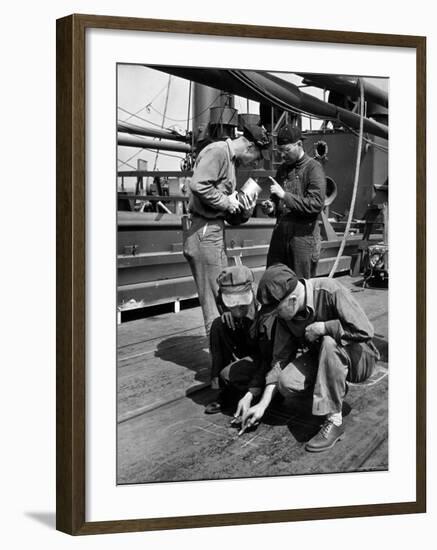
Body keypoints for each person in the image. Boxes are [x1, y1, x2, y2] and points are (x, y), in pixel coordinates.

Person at [241, 263, 380, 452]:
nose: (276, 316)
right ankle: (333, 387)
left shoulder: (331, 290)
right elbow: (280, 361)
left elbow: (365, 330)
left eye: (277, 310)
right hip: (323, 358)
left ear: (292, 299)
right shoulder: (286, 316)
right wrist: (262, 405)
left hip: (360, 358)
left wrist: (324, 328)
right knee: (286, 382)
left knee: (329, 342)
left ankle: (335, 420)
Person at [183, 125, 271, 336]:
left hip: (213, 230)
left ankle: (223, 351)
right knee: (213, 300)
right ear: (250, 146)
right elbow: (199, 185)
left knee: (223, 292)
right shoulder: (219, 151)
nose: (255, 163)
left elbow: (227, 209)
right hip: (203, 230)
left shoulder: (229, 160)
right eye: (257, 158)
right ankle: (219, 358)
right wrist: (226, 202)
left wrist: (244, 206)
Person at [205, 265, 274, 418]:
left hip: (264, 356)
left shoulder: (265, 309)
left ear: (251, 290)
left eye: (242, 304)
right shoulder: (222, 300)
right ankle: (223, 391)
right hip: (245, 346)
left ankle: (261, 393)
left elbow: (269, 357)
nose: (238, 308)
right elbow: (221, 302)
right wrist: (227, 312)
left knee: (228, 375)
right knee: (218, 325)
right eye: (232, 303)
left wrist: (254, 387)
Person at [263, 125, 326, 278]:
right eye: (280, 151)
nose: (283, 155)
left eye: (287, 150)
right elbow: (277, 201)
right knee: (273, 279)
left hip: (303, 238)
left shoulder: (313, 168)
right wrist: (271, 207)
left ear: (299, 144)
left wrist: (284, 195)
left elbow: (315, 204)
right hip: (281, 235)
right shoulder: (282, 170)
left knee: (301, 287)